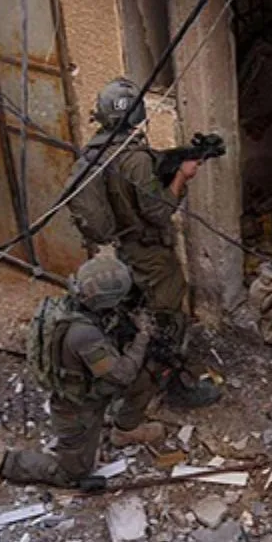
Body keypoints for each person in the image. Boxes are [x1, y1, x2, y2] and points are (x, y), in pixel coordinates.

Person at [66, 77, 218, 408]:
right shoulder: (135, 159)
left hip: (125, 247)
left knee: (134, 309)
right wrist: (182, 176)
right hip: (148, 250)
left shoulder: (99, 150)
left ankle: (128, 362)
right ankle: (170, 383)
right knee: (168, 315)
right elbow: (159, 211)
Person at [0, 255, 158, 488]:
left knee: (149, 375)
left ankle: (124, 430)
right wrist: (142, 336)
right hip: (77, 407)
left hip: (87, 386)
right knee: (72, 475)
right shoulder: (83, 334)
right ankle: (3, 462)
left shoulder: (71, 305)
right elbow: (122, 375)